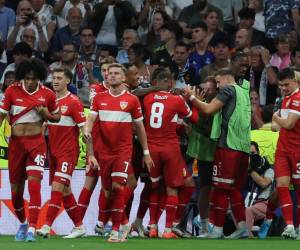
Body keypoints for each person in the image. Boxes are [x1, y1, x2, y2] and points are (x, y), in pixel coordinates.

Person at [84, 63, 154, 243]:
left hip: (123, 151)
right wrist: (86, 129)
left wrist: (146, 152)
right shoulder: (98, 98)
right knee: (107, 190)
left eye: (116, 73)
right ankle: (123, 223)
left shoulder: (131, 100)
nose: (112, 76)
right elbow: (90, 119)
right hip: (104, 152)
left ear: (123, 78)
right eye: (110, 73)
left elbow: (140, 128)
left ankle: (115, 230)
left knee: (118, 187)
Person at [183, 68, 251, 239]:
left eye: (219, 82)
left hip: (227, 146)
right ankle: (242, 226)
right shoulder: (244, 91)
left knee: (220, 189)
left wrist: (191, 97)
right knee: (234, 189)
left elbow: (208, 110)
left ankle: (217, 229)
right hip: (242, 146)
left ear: (226, 79)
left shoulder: (229, 89)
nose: (218, 87)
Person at [0, 58, 60, 242]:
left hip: (36, 144)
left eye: (34, 78)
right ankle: (24, 223)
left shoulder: (47, 94)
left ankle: (33, 229)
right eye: (27, 78)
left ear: (40, 78)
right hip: (17, 145)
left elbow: (56, 117)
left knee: (34, 185)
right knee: (16, 192)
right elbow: (2, 115)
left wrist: (45, 115)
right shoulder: (12, 91)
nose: (31, 82)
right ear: (22, 77)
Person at [143, 67, 198, 239]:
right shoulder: (177, 100)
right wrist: (193, 99)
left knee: (154, 187)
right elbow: (195, 119)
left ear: (155, 83)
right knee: (172, 189)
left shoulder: (147, 98)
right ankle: (168, 230)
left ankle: (152, 227)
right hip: (170, 149)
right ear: (171, 82)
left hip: (151, 150)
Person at [36, 67, 86, 239]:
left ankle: (46, 226)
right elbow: (44, 125)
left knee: (57, 188)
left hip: (68, 153)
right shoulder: (49, 100)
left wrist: (91, 153)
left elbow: (84, 129)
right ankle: (79, 227)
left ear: (67, 81)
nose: (55, 81)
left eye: (59, 78)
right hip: (54, 153)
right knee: (65, 191)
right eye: (53, 77)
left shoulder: (73, 102)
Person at [186, 77, 218, 237]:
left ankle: (214, 224)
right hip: (203, 154)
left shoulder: (217, 106)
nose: (205, 93)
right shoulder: (194, 105)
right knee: (205, 189)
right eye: (203, 89)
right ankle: (204, 225)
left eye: (209, 90)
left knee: (218, 190)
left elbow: (208, 130)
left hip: (219, 153)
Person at [271, 68, 300, 239]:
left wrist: (275, 117)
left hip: (297, 150)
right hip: (282, 149)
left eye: (286, 85)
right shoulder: (285, 98)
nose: (283, 88)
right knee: (282, 185)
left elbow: (288, 124)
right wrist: (277, 121)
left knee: (298, 188)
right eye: (281, 85)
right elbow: (280, 126)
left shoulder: (298, 98)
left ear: (294, 80)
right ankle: (289, 226)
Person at [245, 141, 274, 238]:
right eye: (248, 154)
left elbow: (263, 183)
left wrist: (250, 170)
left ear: (258, 153)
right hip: (250, 201)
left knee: (249, 210)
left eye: (253, 154)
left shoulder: (268, 169)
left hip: (265, 203)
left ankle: (247, 235)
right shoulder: (243, 168)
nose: (251, 157)